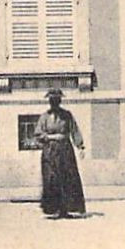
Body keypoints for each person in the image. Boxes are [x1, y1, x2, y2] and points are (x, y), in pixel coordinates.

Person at [35, 88, 86, 219]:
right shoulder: (44, 117)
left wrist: (80, 146)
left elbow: (74, 130)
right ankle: (54, 209)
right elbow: (38, 134)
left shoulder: (67, 115)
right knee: (52, 179)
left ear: (60, 101)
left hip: (65, 151)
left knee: (67, 178)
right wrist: (51, 137)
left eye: (57, 100)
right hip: (50, 152)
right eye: (52, 100)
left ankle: (66, 210)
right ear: (49, 102)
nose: (54, 103)